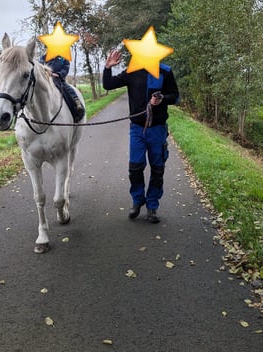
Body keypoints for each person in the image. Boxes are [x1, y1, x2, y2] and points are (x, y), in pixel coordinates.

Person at [102, 48, 179, 223]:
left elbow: (175, 96)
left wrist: (162, 99)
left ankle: (152, 206)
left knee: (157, 169)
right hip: (137, 129)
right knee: (135, 168)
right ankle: (137, 201)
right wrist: (108, 68)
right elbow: (108, 85)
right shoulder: (132, 71)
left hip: (157, 129)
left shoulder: (165, 71)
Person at [39, 51, 85, 121]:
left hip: (58, 79)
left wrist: (59, 74)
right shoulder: (45, 56)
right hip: (46, 78)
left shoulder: (64, 57)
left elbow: (66, 69)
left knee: (68, 89)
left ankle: (76, 102)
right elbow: (40, 63)